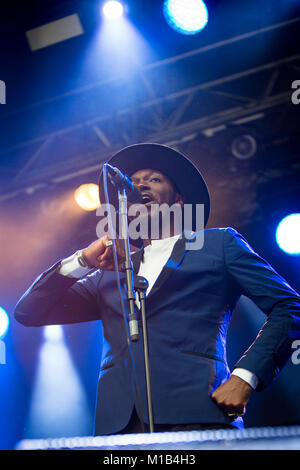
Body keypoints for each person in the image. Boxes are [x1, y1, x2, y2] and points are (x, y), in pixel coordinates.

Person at [14, 143, 300, 435]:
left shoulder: (219, 244)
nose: (140, 185)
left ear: (178, 199)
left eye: (153, 179)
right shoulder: (109, 270)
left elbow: (290, 307)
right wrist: (83, 260)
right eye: (135, 181)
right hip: (121, 427)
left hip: (199, 413)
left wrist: (246, 376)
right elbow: (29, 312)